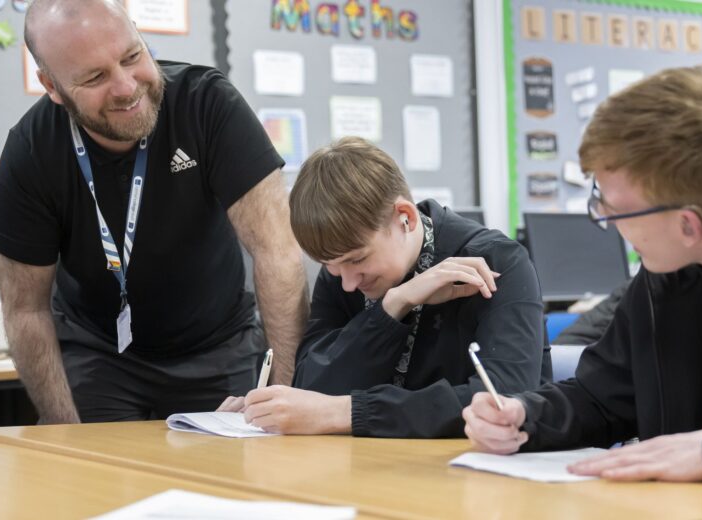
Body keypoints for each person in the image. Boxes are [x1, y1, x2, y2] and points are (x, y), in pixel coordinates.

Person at [463, 67, 702, 487]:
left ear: (688, 226)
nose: (603, 221)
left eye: (614, 210)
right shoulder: (670, 275)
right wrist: (527, 416)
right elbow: (604, 398)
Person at [0, 0, 308, 424]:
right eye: (95, 76)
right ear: (52, 86)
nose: (125, 86)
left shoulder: (207, 105)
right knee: (93, 481)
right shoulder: (32, 153)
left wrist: (285, 394)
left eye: (132, 56)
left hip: (218, 345)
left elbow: (277, 251)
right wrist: (65, 434)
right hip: (100, 355)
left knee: (230, 481)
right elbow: (25, 309)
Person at [219, 137, 551, 437]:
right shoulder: (341, 274)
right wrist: (392, 307)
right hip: (376, 468)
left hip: (482, 475)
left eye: (357, 260)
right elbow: (312, 387)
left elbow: (503, 399)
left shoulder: (495, 261)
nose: (348, 283)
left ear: (404, 217)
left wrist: (350, 412)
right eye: (331, 267)